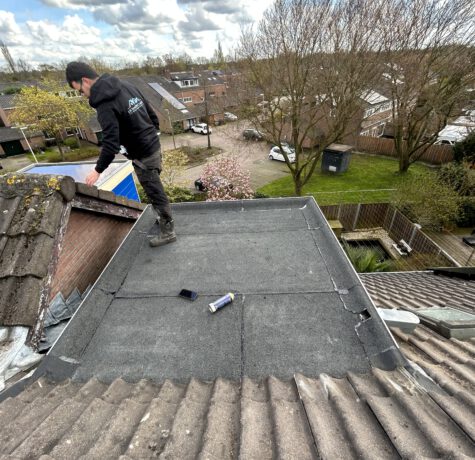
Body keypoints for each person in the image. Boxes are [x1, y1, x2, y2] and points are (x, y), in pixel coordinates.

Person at [65, 61, 175, 247]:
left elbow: (110, 143)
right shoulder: (125, 84)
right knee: (155, 186)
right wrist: (152, 134)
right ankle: (163, 219)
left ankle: (168, 231)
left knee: (154, 191)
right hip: (153, 146)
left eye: (79, 90)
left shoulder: (104, 105)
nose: (82, 95)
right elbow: (150, 111)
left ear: (85, 81)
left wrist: (98, 170)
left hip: (143, 155)